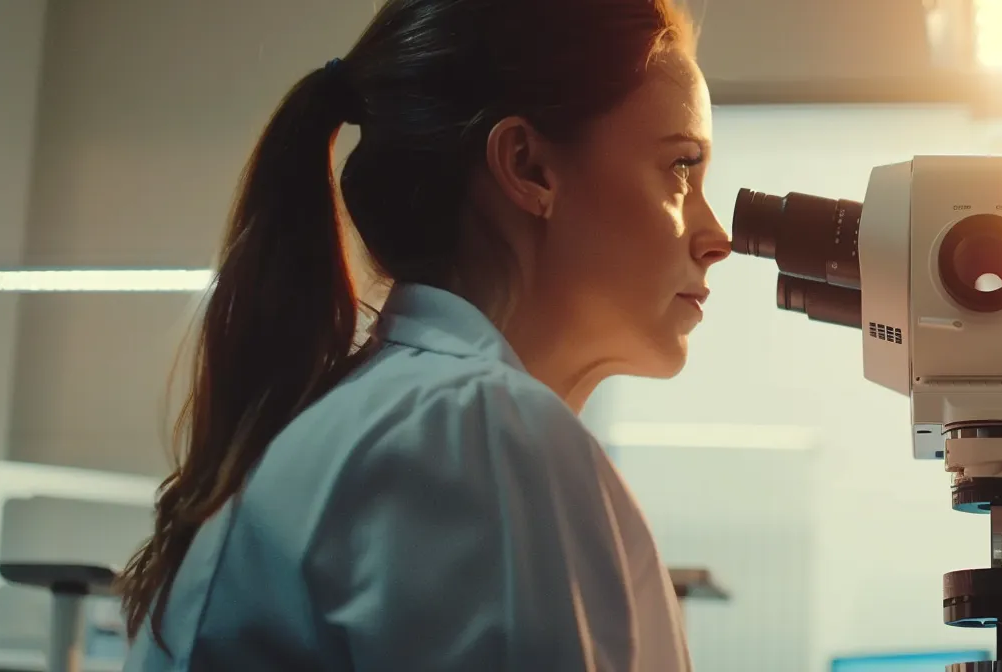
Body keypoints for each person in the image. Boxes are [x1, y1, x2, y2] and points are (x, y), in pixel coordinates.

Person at [115, 0, 728, 669]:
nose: (717, 238)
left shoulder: (395, 414)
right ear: (528, 167)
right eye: (681, 168)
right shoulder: (473, 428)